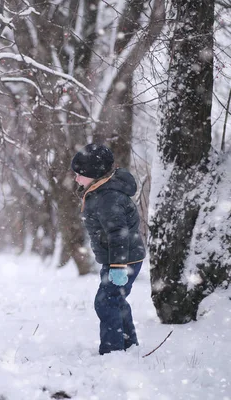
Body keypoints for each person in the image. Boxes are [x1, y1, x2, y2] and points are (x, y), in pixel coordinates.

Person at [71, 143, 146, 355]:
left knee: (105, 303)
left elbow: (118, 235)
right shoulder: (100, 192)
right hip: (118, 259)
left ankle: (113, 350)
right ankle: (127, 345)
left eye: (79, 174)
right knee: (115, 300)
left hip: (123, 260)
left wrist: (118, 266)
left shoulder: (107, 198)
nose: (76, 178)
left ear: (94, 174)